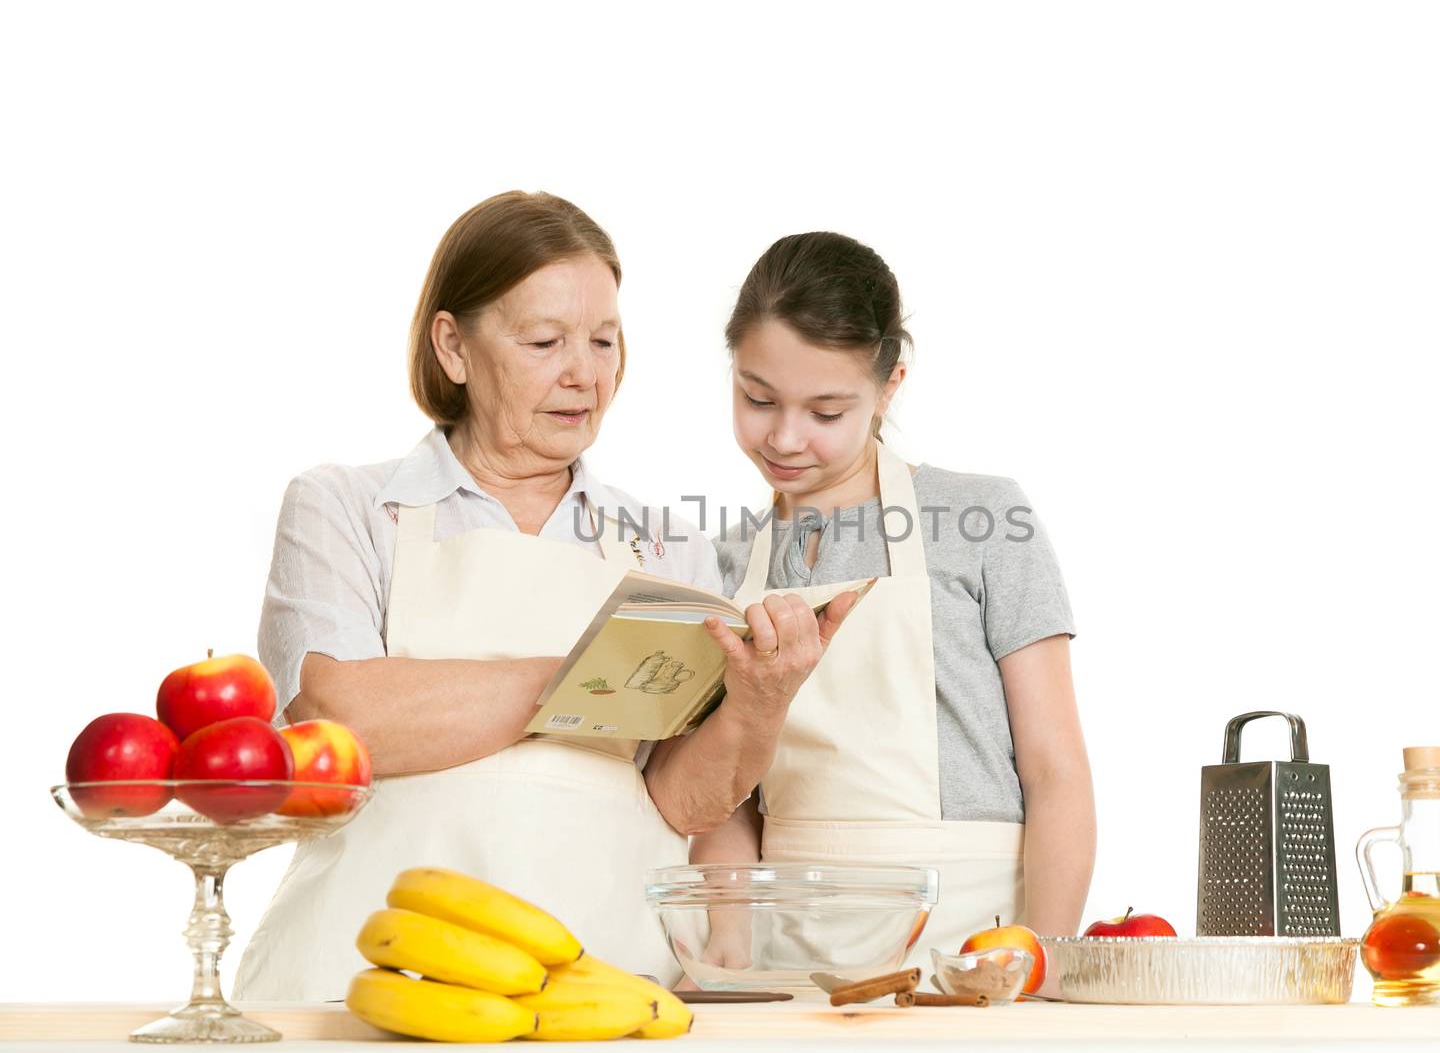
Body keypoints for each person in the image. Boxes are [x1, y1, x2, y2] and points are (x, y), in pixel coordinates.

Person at [233, 193, 854, 1000]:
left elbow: (680, 798)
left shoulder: (672, 546)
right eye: (544, 341)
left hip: (602, 970)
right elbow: (345, 724)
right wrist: (589, 679)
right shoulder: (347, 507)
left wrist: (760, 701)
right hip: (366, 965)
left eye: (604, 341)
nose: (585, 374)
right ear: (453, 345)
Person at [695, 232, 1095, 975]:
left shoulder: (984, 521)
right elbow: (730, 804)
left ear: (889, 387)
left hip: (972, 941)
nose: (785, 436)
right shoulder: (725, 565)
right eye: (757, 397)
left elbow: (1056, 770)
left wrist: (1042, 959)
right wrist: (727, 946)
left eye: (826, 410)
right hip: (788, 954)